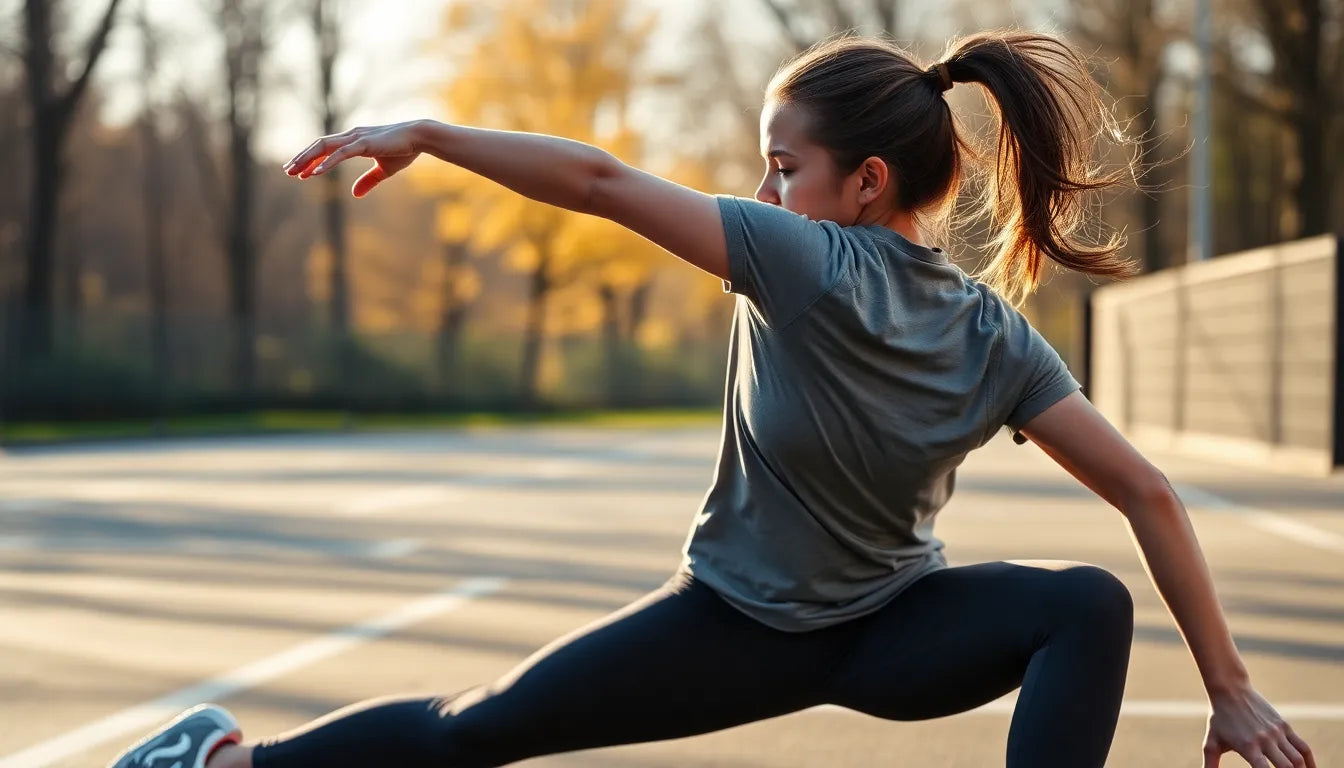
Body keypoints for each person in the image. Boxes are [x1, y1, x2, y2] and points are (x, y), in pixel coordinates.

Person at [107, 30, 1315, 768]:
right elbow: (1147, 491)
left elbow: (596, 176)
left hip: (875, 626)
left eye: (783, 168)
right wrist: (1225, 683)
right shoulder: (997, 335)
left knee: (1084, 608)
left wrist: (429, 128)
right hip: (748, 631)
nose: (761, 188)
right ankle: (224, 764)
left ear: (865, 183)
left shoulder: (808, 260)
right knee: (481, 727)